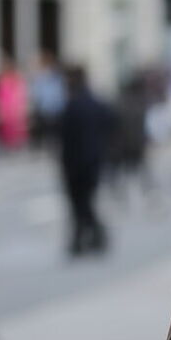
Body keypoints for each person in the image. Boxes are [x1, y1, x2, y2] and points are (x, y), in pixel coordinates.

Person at [58, 65, 116, 257]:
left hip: (76, 165)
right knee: (85, 203)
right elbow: (111, 124)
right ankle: (87, 238)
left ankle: (89, 238)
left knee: (80, 204)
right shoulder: (96, 103)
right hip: (94, 161)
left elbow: (64, 138)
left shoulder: (72, 106)